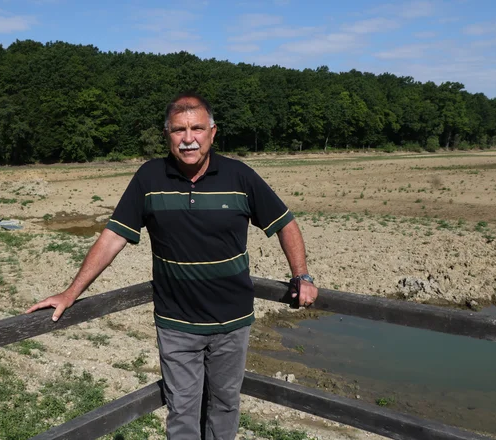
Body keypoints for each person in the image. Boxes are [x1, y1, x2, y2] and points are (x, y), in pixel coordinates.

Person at [26, 92, 318, 439]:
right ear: (167, 135)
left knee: (225, 405)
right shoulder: (149, 179)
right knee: (182, 411)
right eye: (179, 130)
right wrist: (71, 292)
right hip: (177, 325)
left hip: (232, 322)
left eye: (197, 128)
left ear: (213, 132)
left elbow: (285, 223)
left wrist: (301, 275)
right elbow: (112, 238)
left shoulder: (240, 177)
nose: (189, 138)